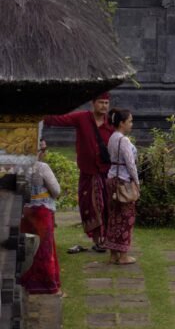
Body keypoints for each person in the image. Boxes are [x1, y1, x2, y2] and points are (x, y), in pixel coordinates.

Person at [43, 93, 113, 252]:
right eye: (101, 102)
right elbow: (59, 120)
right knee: (91, 206)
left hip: (106, 173)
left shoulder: (111, 123)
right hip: (88, 172)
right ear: (93, 104)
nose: (104, 106)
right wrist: (38, 114)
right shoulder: (82, 118)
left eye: (106, 103)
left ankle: (106, 240)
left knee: (106, 206)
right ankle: (98, 240)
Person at [19, 139, 61, 295]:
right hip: (42, 211)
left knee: (28, 248)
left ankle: (27, 283)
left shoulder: (17, 168)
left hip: (25, 212)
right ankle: (48, 286)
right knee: (45, 250)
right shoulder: (42, 167)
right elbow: (56, 190)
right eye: (41, 150)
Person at [103, 109, 139, 265]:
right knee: (126, 218)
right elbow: (130, 164)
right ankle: (123, 255)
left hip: (112, 179)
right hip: (123, 181)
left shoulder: (112, 138)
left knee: (113, 217)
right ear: (121, 123)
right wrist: (136, 182)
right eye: (129, 121)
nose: (131, 124)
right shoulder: (123, 140)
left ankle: (113, 254)